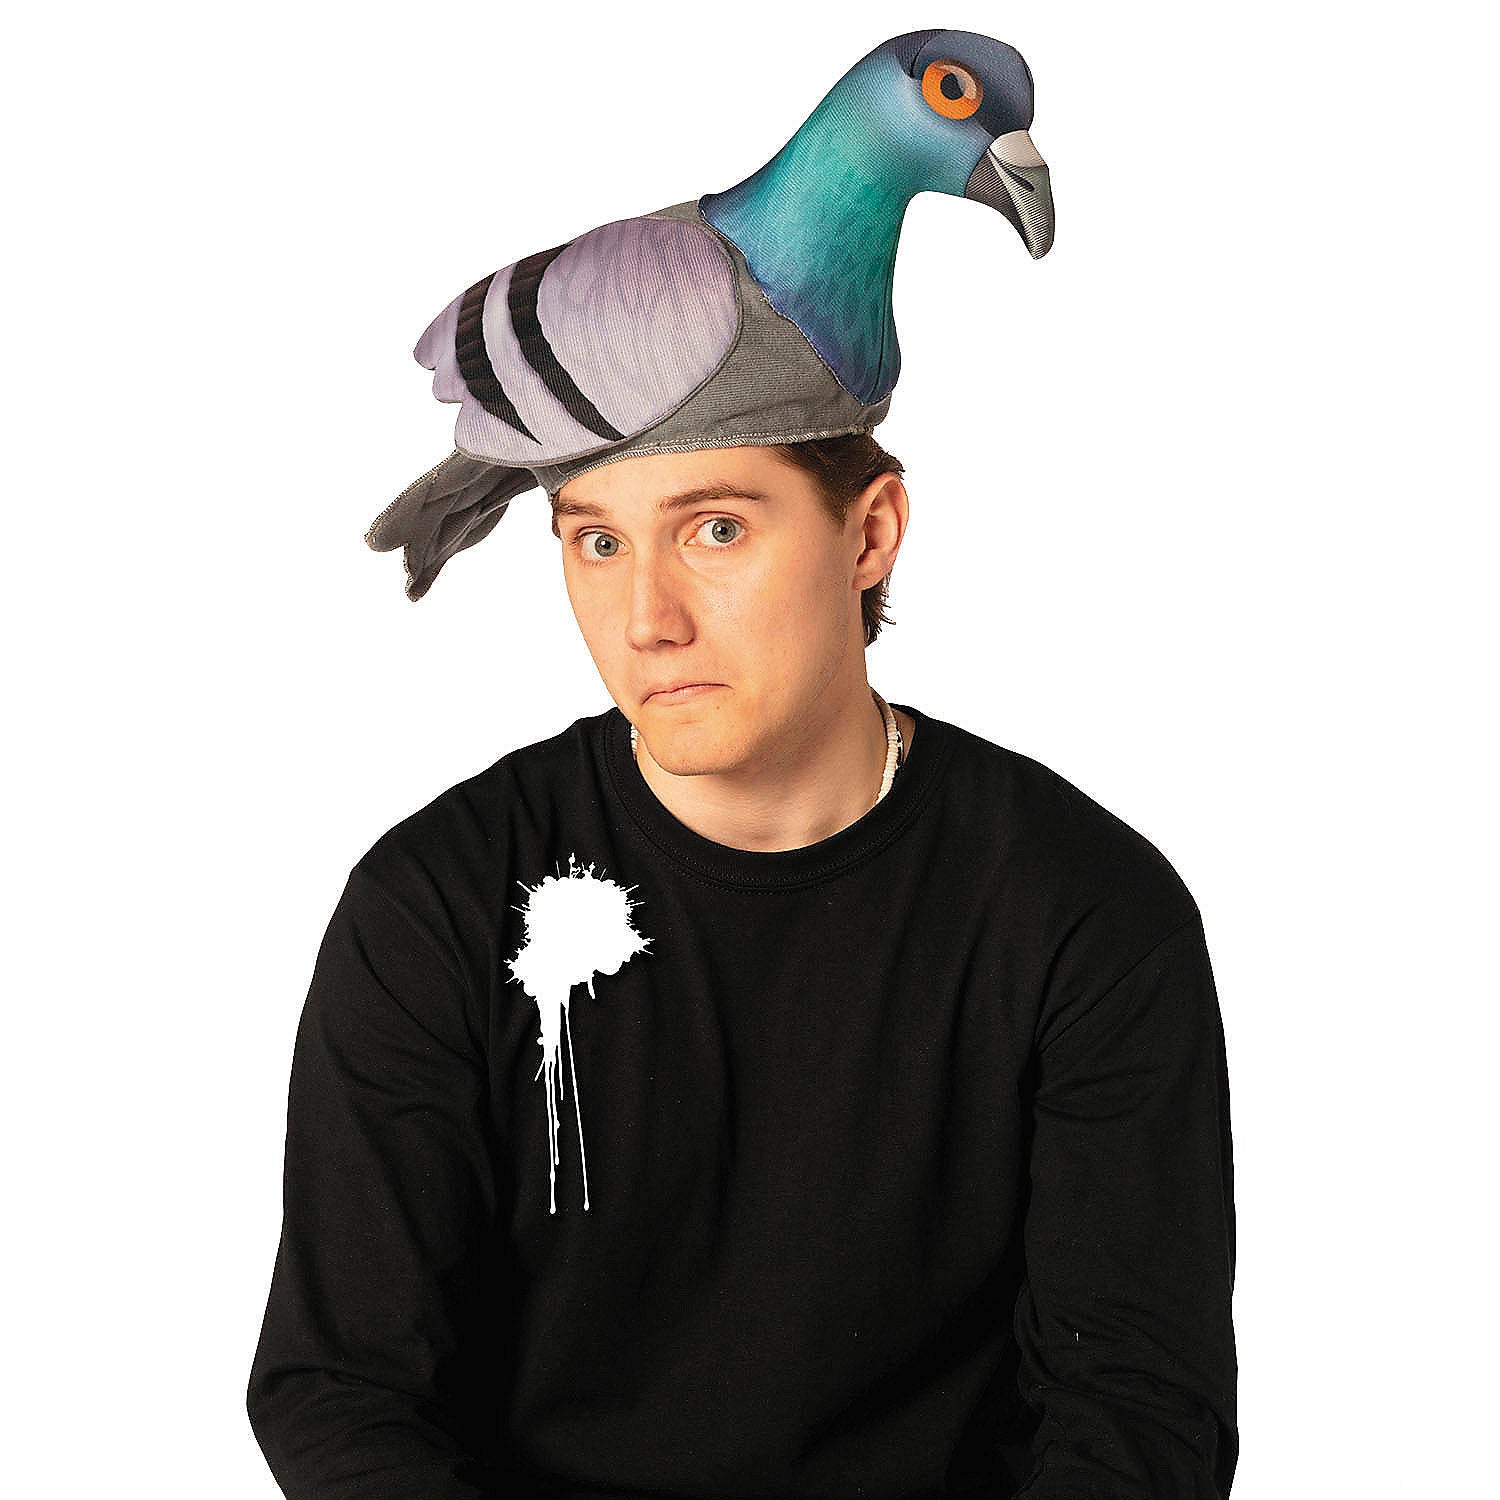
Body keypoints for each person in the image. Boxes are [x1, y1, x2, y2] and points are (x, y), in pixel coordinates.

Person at [247, 28, 1236, 1500]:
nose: (646, 618)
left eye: (715, 529)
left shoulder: (1085, 913)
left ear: (869, 535)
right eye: (596, 541)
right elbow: (345, 1395)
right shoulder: (438, 904)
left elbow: (1137, 1414)